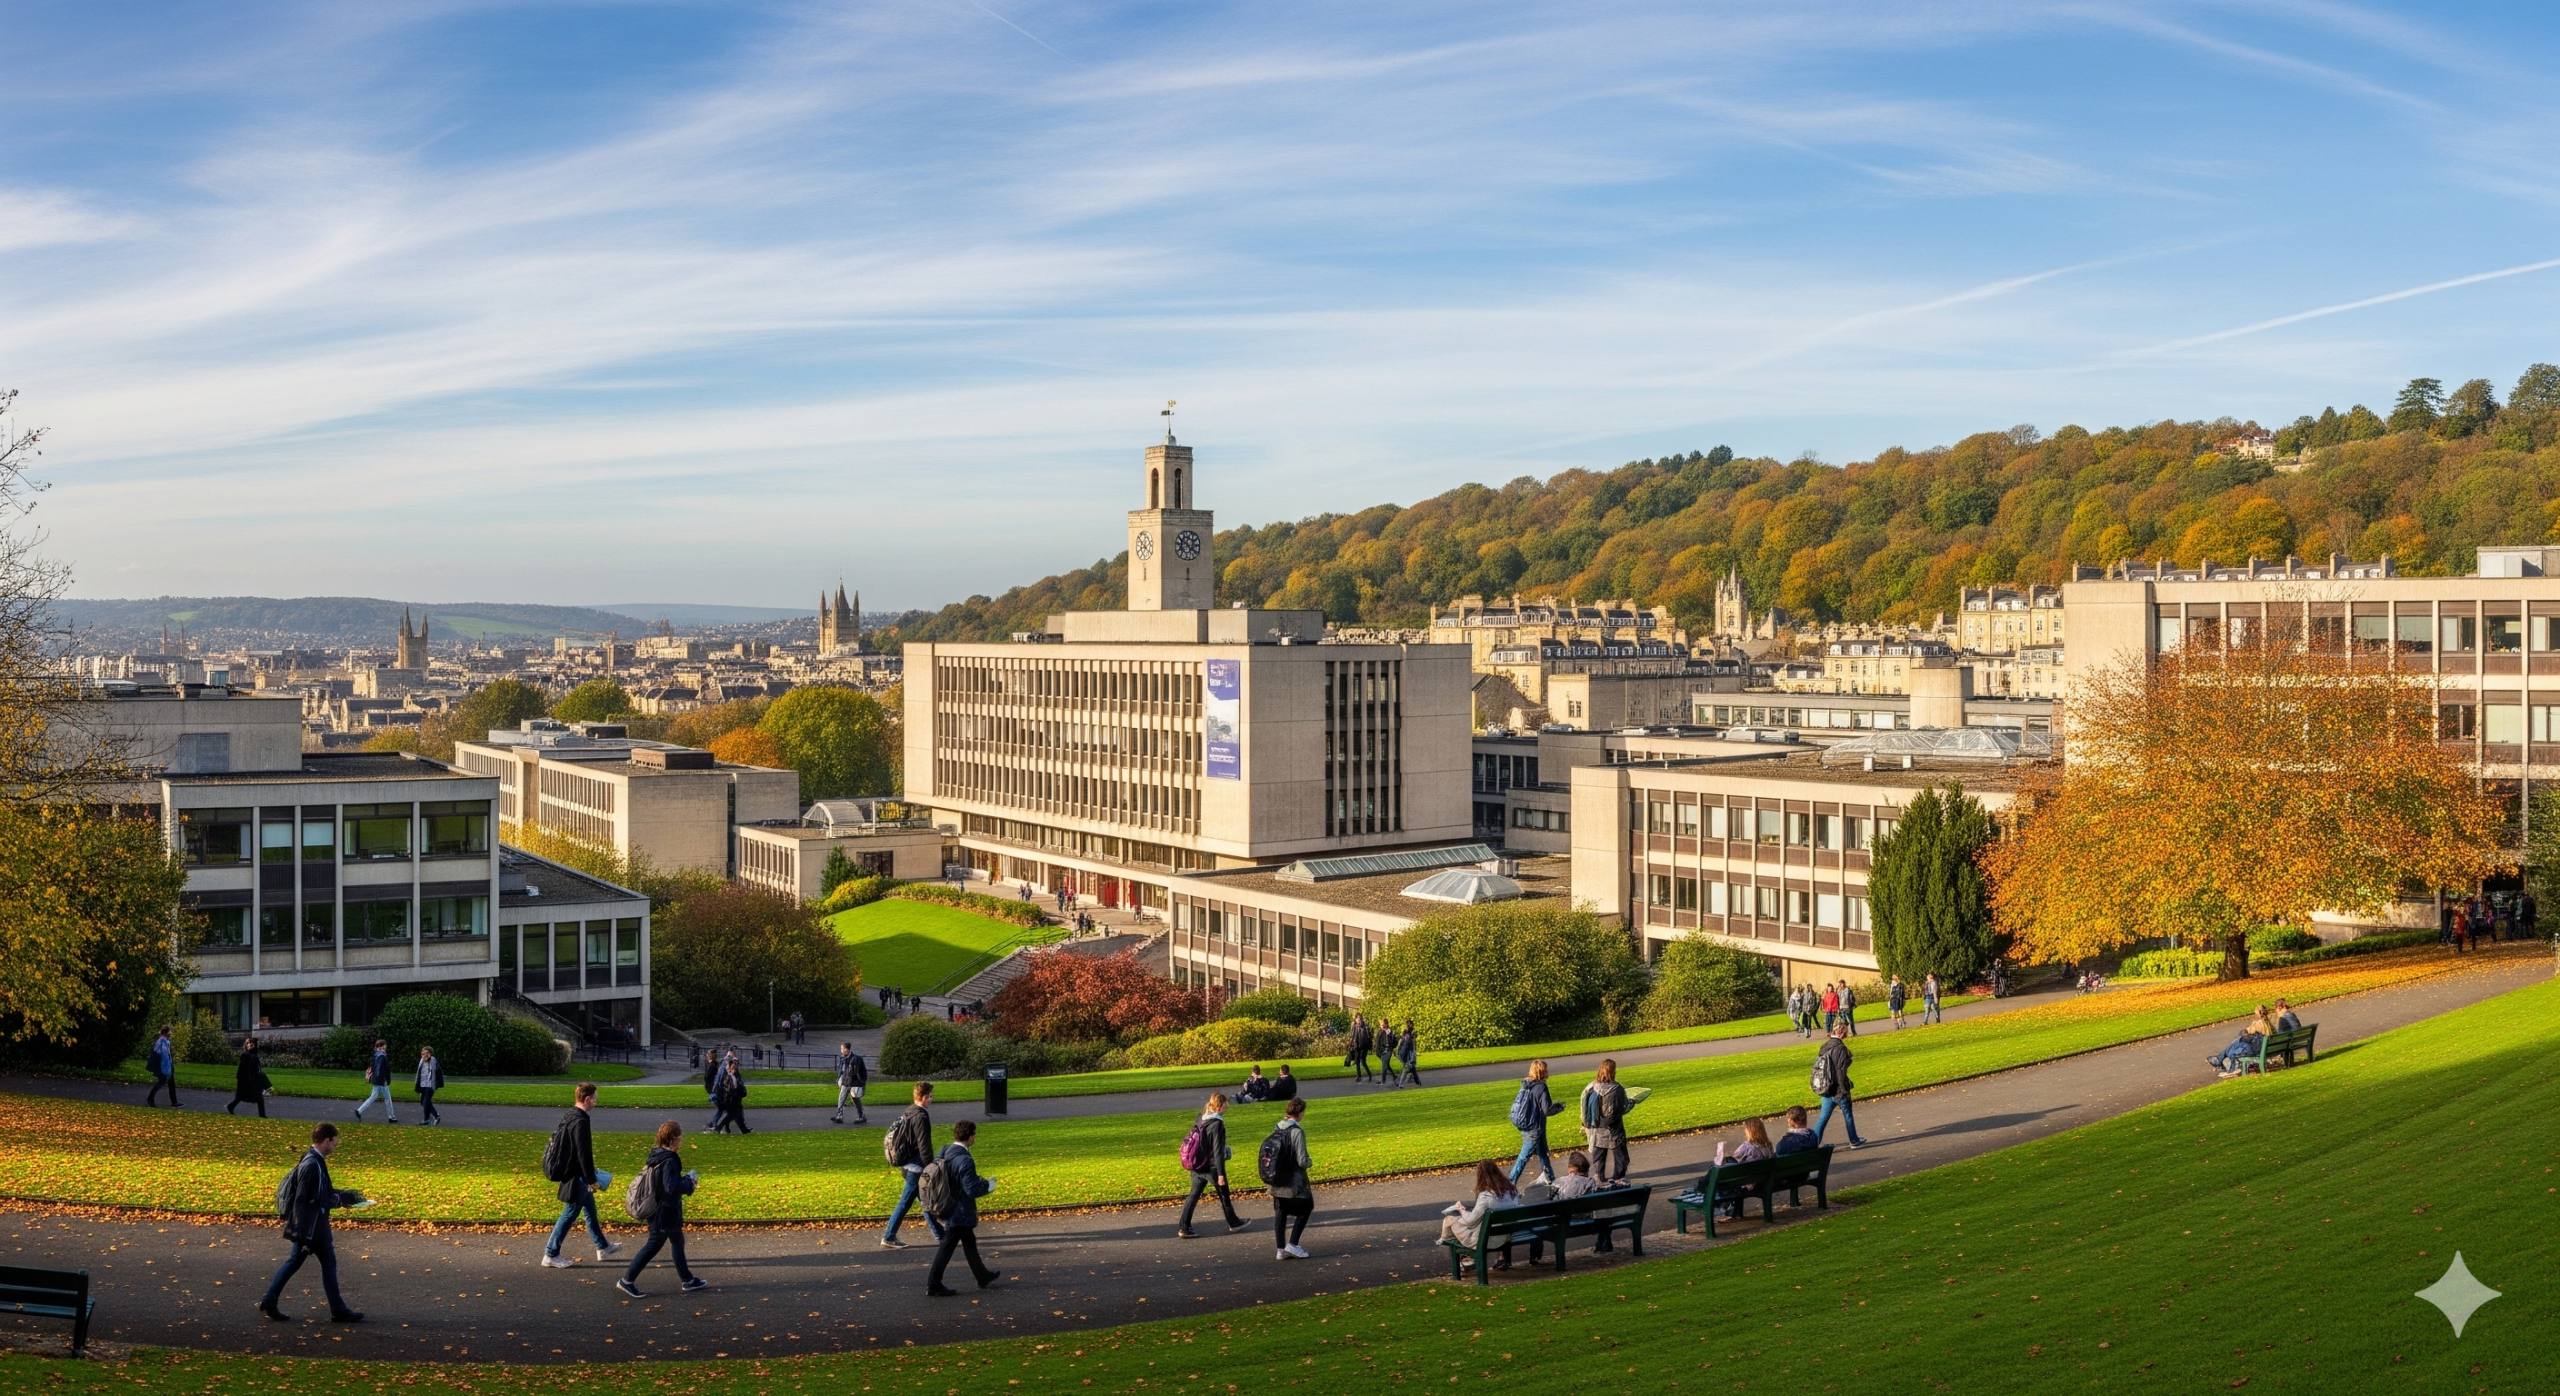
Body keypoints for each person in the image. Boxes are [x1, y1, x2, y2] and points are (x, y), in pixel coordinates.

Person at [260, 1122, 365, 1323]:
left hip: (310, 1226)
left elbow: (320, 1193)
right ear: (326, 1140)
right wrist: (342, 1199)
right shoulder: (312, 1165)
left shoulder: (313, 1160)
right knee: (326, 1264)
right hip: (313, 1228)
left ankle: (271, 1300)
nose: (335, 1146)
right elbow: (309, 1199)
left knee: (298, 1262)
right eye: (334, 1142)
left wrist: (345, 1196)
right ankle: (338, 1310)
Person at [616, 1121, 705, 1297]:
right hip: (665, 1212)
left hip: (659, 1208)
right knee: (654, 1245)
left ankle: (687, 1279)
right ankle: (627, 1281)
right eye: (680, 1138)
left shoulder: (657, 1154)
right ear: (673, 1139)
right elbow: (670, 1187)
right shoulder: (670, 1160)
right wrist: (689, 1183)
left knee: (677, 1241)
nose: (681, 1141)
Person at [543, 1082, 620, 1267]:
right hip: (577, 1177)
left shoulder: (570, 1115)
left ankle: (602, 1246)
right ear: (587, 1099)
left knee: (590, 1210)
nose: (596, 1102)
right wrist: (592, 1181)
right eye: (594, 1099)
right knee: (569, 1214)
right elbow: (583, 1154)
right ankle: (551, 1253)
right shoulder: (581, 1121)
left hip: (573, 1173)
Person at [925, 1118, 1001, 1295]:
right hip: (959, 1210)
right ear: (970, 1137)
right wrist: (988, 1186)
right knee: (947, 1246)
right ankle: (933, 1284)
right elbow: (971, 1189)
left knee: (969, 1241)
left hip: (946, 1203)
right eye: (974, 1135)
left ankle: (982, 1276)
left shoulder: (945, 1151)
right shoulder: (965, 1160)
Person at [882, 1083, 946, 1249]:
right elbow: (924, 1146)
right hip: (916, 1168)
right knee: (905, 1203)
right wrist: (930, 1168)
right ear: (924, 1097)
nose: (931, 1099)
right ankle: (888, 1236)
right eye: (930, 1096)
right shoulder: (921, 1116)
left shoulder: (909, 1111)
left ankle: (942, 1235)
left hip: (907, 1164)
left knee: (925, 1201)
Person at [1175, 1092, 1249, 1238]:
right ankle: (1234, 1223)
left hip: (1197, 1164)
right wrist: (1221, 1174)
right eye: (1225, 1104)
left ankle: (1184, 1227)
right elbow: (1217, 1152)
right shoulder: (1217, 1125)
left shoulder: (1201, 1118)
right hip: (1211, 1166)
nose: (1227, 1107)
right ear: (1219, 1106)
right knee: (1224, 1194)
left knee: (1193, 1195)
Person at [1437, 1160, 1519, 1269]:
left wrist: (1461, 1210)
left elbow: (1471, 1221)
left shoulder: (1486, 1196)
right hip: (1507, 1235)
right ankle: (1472, 1258)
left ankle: (1467, 1257)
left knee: (1451, 1221)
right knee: (1472, 1222)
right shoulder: (1512, 1190)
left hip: (1488, 1238)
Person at [1267, 1097, 1314, 1260]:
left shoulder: (1277, 1128)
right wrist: (1310, 1161)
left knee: (1280, 1211)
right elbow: (1302, 1160)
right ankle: (1293, 1244)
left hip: (1276, 1178)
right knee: (1306, 1207)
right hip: (1293, 1180)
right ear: (1300, 1113)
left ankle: (1280, 1249)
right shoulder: (1297, 1132)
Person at [1508, 1059, 1564, 1186]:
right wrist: (1559, 1107)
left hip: (1527, 1124)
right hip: (1535, 1127)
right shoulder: (1541, 1087)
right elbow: (1546, 1110)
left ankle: (1550, 1179)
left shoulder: (1526, 1084)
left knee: (1543, 1153)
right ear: (1543, 1072)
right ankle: (1510, 1183)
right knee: (1524, 1157)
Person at [1710, 1117, 1775, 1221]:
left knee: (1725, 1173)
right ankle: (1732, 1211)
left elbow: (1735, 1159)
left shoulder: (1747, 1146)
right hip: (1762, 1181)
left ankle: (1727, 1210)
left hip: (1746, 1183)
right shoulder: (1768, 1145)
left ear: (1749, 1131)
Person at [1813, 1024, 1868, 1148]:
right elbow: (1840, 1070)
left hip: (1827, 1088)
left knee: (1823, 1117)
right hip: (1838, 1089)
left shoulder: (1825, 1046)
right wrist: (1843, 1090)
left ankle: (1814, 1142)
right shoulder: (1841, 1048)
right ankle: (1854, 1140)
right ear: (1841, 1033)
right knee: (1847, 1115)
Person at [1580, 1059, 1629, 1186]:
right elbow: (1624, 1107)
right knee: (1621, 1157)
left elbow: (1583, 1107)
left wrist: (1585, 1124)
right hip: (1614, 1129)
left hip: (1596, 1128)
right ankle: (1618, 1179)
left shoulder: (1591, 1087)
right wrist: (1633, 1102)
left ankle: (1599, 1178)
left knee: (1598, 1157)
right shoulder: (1617, 1089)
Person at [2209, 1007, 2274, 1077]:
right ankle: (2220, 1059)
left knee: (2236, 1046)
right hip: (2267, 1050)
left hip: (2257, 1051)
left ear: (2258, 1014)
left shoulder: (2258, 1024)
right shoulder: (2268, 1024)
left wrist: (2247, 1032)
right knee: (2239, 1042)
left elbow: (2249, 1032)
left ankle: (2228, 1065)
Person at [354, 1039, 397, 1123]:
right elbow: (384, 1070)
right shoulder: (383, 1056)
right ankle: (391, 1117)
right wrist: (386, 1080)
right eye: (383, 1047)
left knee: (373, 1097)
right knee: (388, 1099)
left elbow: (373, 1068)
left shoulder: (375, 1055)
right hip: (381, 1081)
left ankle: (359, 1111)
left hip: (376, 1080)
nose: (384, 1049)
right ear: (381, 1047)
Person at [230, 1036, 272, 1116]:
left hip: (248, 1079)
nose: (250, 1046)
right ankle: (262, 1115)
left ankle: (231, 1106)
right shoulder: (249, 1056)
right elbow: (250, 1069)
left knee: (244, 1096)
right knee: (255, 1097)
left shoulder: (249, 1055)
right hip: (249, 1079)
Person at [833, 1042, 870, 1125]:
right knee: (841, 1100)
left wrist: (862, 1082)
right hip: (845, 1082)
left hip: (854, 1083)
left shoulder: (856, 1059)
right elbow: (842, 1071)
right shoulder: (843, 1058)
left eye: (842, 1049)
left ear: (846, 1049)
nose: (841, 1050)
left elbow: (859, 1071)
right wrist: (839, 1079)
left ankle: (861, 1116)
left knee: (856, 1101)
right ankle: (839, 1116)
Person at [146, 1024, 181, 1108]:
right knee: (162, 1082)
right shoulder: (163, 1042)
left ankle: (174, 1102)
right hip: (164, 1066)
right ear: (166, 1032)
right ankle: (150, 1099)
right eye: (169, 1031)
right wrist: (167, 1068)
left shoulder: (164, 1041)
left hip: (166, 1065)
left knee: (171, 1083)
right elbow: (164, 1056)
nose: (171, 1033)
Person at [414, 1046, 444, 1126]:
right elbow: (418, 1073)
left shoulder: (432, 1060)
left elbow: (436, 1070)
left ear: (430, 1054)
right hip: (423, 1085)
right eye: (423, 1054)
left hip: (430, 1086)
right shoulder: (421, 1061)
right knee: (423, 1103)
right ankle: (427, 1119)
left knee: (426, 1102)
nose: (425, 1055)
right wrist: (417, 1085)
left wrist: (436, 1085)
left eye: (427, 1053)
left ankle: (435, 1116)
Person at [1346, 1014, 1373, 1083]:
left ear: (1362, 1019)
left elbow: (1369, 1037)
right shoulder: (1354, 1027)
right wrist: (1351, 1045)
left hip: (1364, 1046)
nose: (1359, 1020)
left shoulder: (1365, 1027)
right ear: (1355, 1019)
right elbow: (1352, 1037)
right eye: (1357, 1018)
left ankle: (1369, 1074)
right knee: (1357, 1061)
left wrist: (1368, 1045)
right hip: (1356, 1046)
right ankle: (1359, 1075)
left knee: (1363, 1061)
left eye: (1360, 1019)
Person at [1398, 1020, 1421, 1086]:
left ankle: (1418, 1082)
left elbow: (1401, 1042)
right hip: (1408, 1053)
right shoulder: (1409, 1034)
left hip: (1405, 1053)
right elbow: (1412, 1044)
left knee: (1412, 1069)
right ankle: (1400, 1083)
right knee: (1408, 1068)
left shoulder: (1406, 1033)